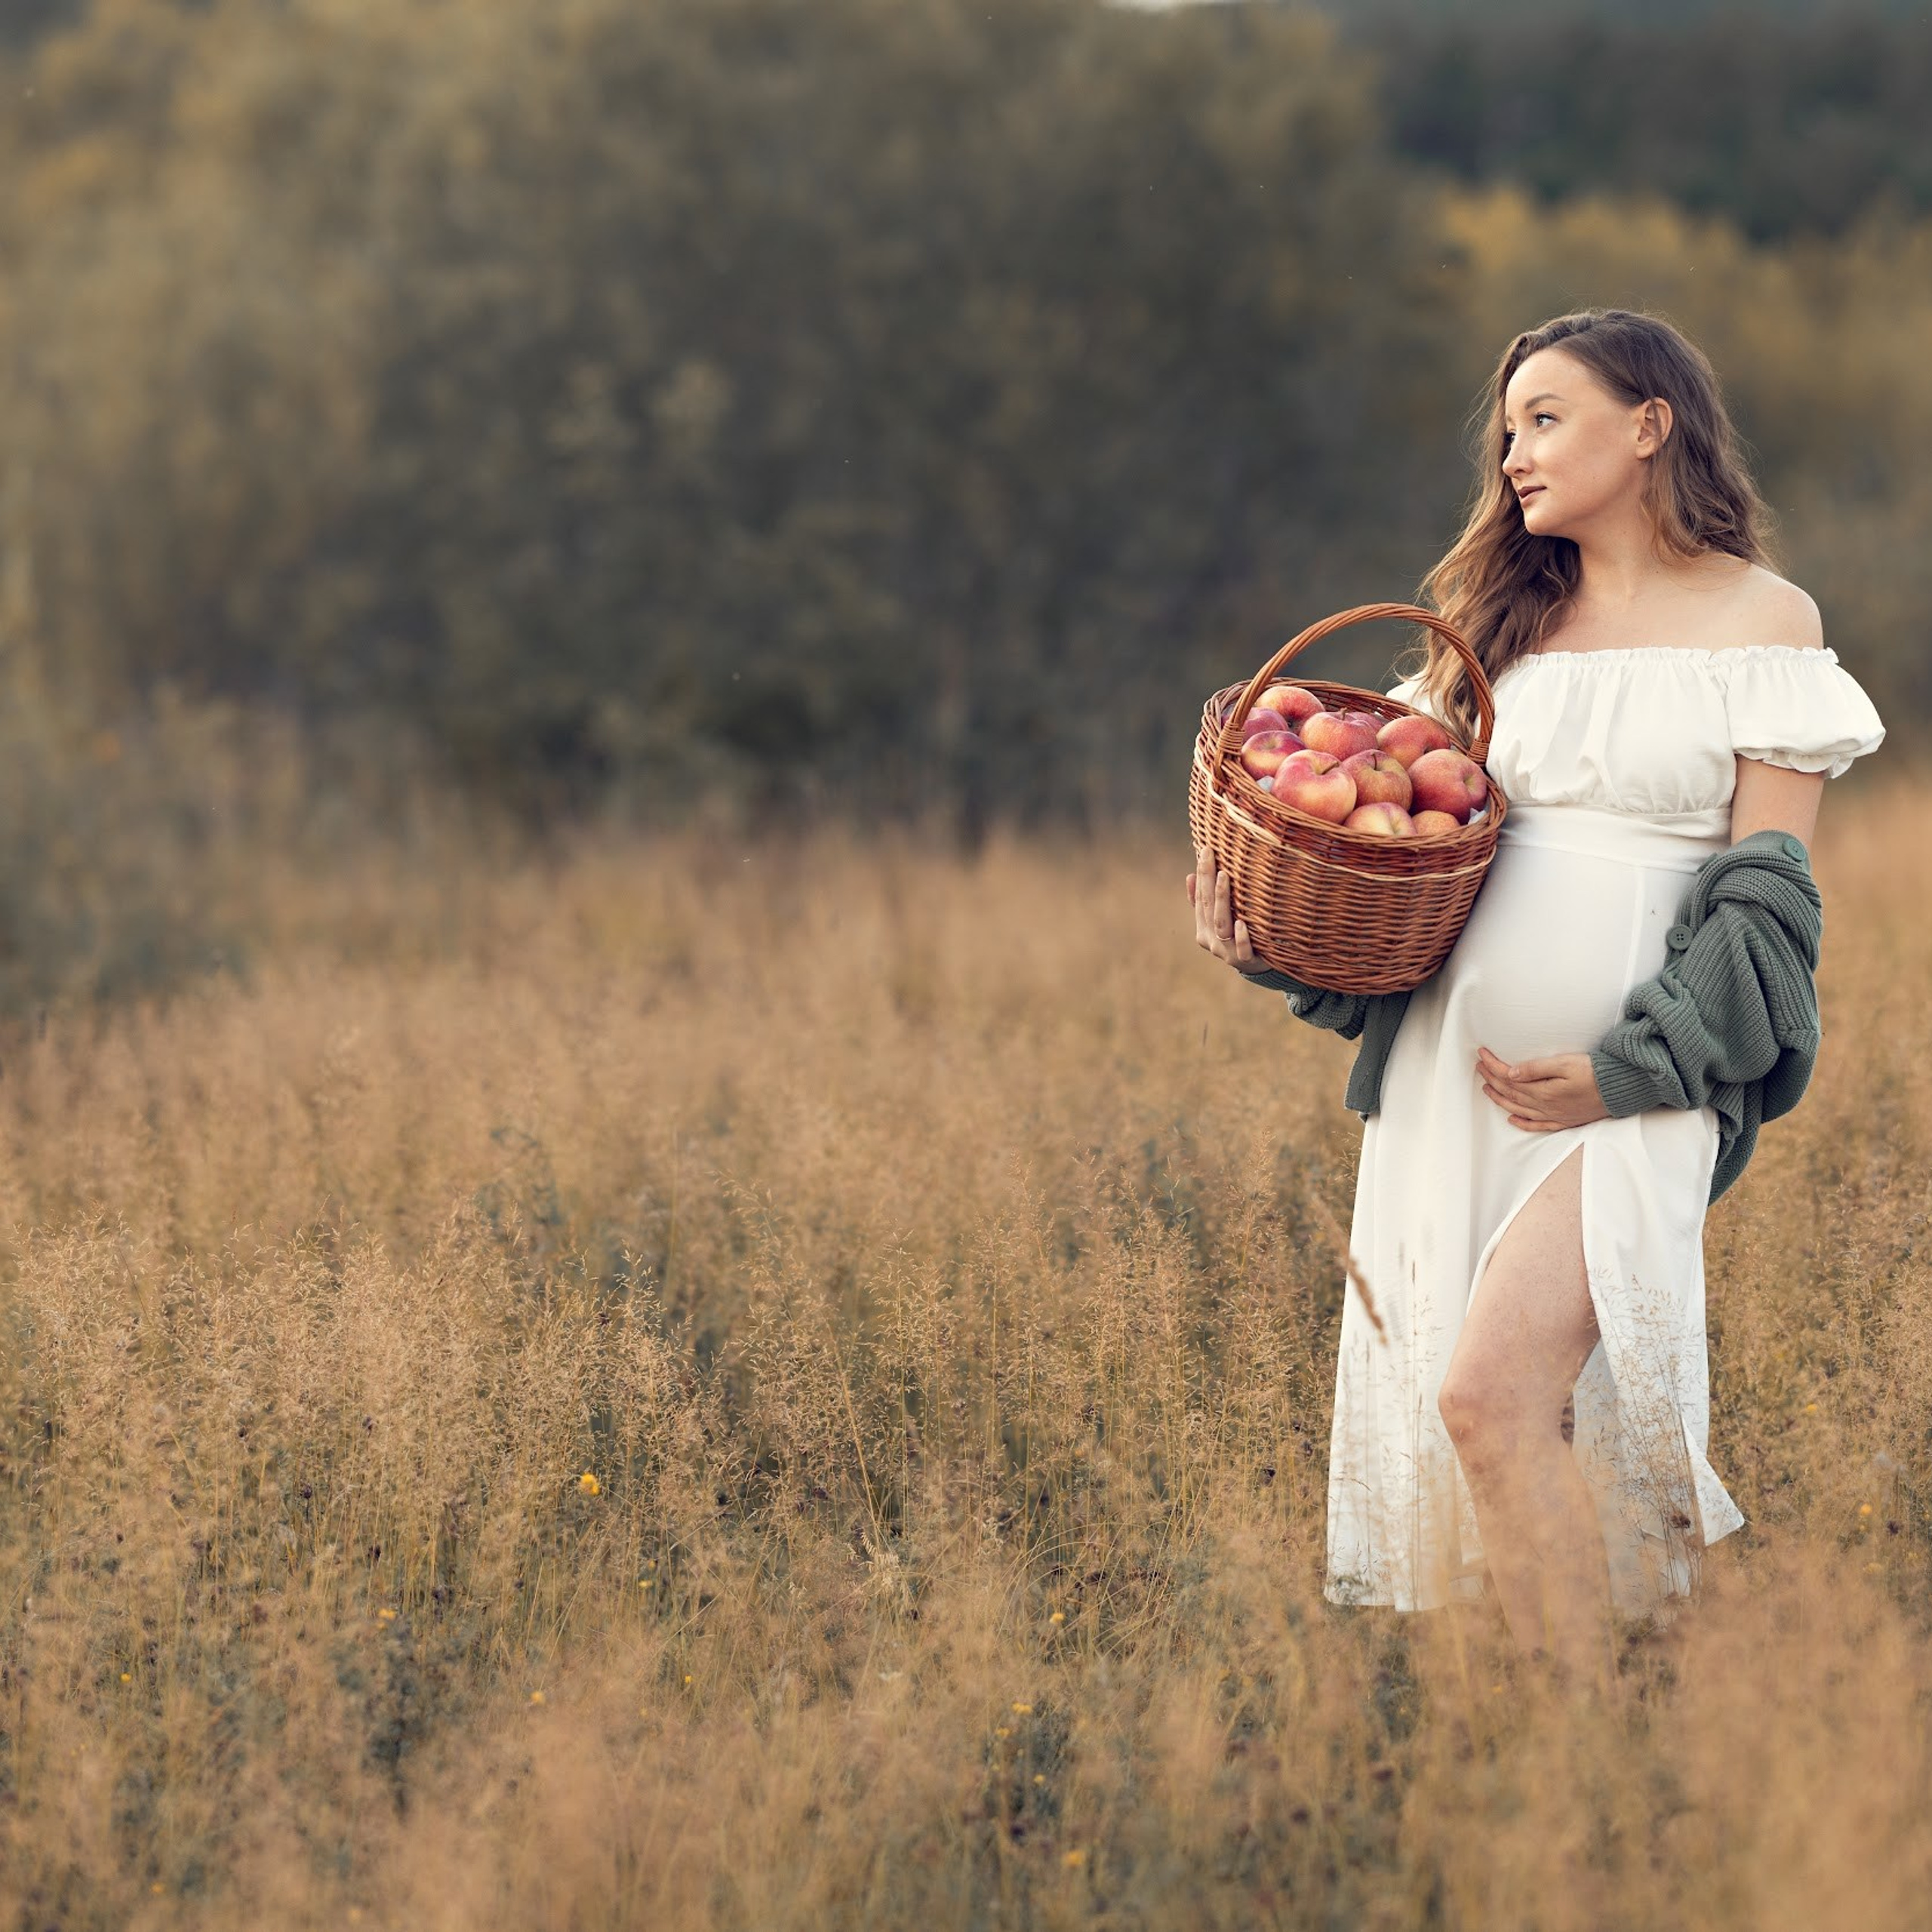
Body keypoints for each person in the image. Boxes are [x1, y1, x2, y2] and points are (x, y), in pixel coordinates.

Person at [1187, 308, 1884, 1681]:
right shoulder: (1489, 634)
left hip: (1635, 1079)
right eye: (1508, 430)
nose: (1514, 454)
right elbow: (1403, 856)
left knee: (1489, 1398)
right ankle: (1574, 1737)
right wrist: (1275, 944)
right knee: (1509, 1423)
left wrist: (1632, 1071)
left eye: (1547, 420)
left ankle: (1587, 1735)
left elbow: (1767, 901)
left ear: (1651, 423)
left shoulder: (1763, 619)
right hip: (1459, 1072)